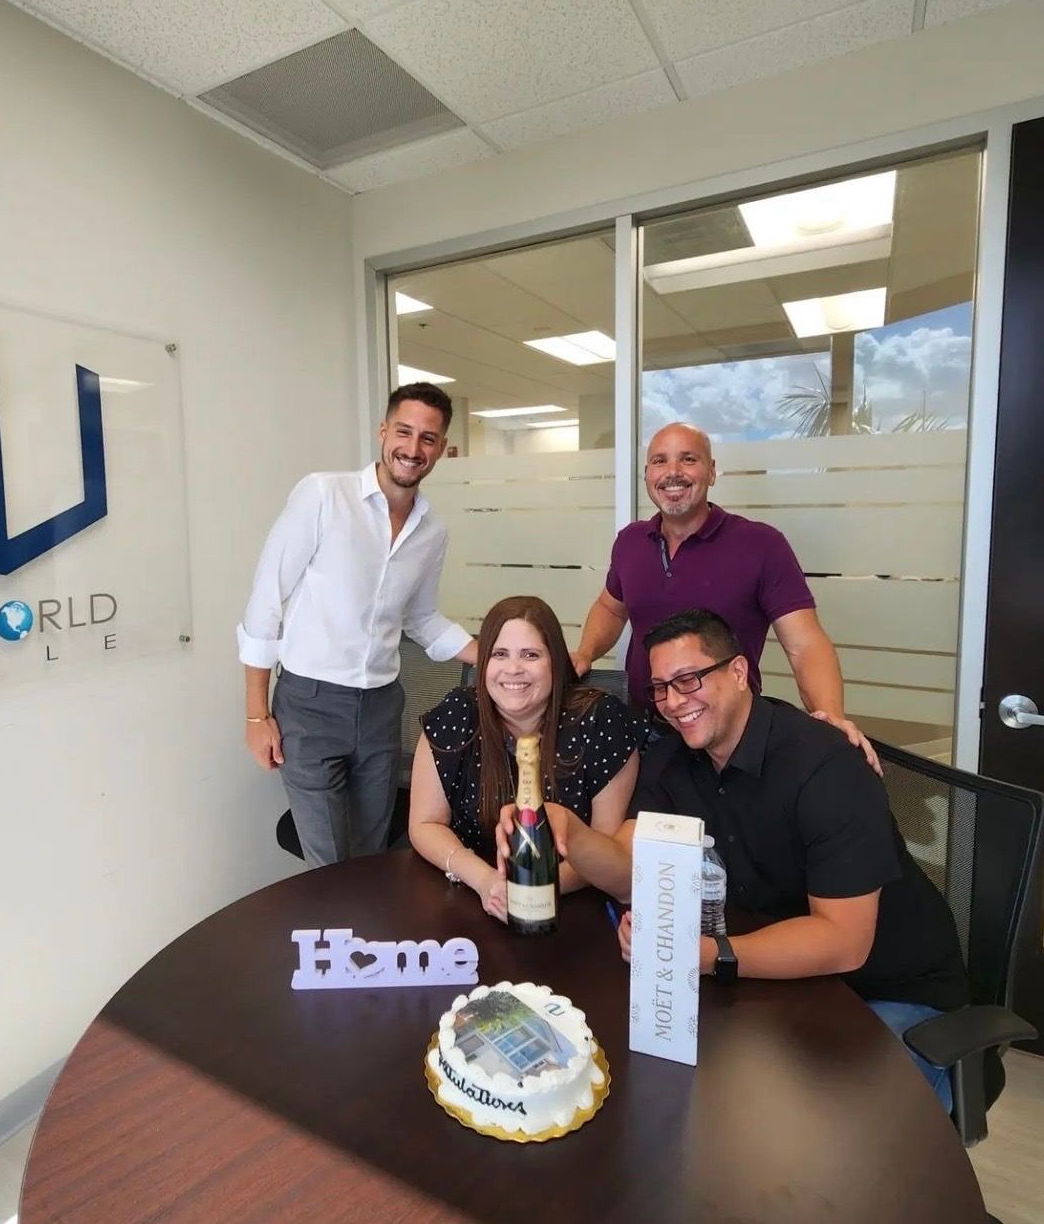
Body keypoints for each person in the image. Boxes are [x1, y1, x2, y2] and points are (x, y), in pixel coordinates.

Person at [509, 607, 968, 1109]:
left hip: (888, 993)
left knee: (817, 1135)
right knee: (670, 1096)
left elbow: (843, 941)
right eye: (660, 688)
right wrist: (572, 836)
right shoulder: (677, 760)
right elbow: (627, 866)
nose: (673, 702)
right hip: (776, 985)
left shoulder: (826, 767)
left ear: (739, 671)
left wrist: (705, 954)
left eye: (688, 680)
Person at [237, 382, 477, 867]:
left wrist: (498, 654)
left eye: (428, 439)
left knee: (372, 855)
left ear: (441, 449)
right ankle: (327, 939)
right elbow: (266, 601)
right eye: (404, 432)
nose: (413, 449)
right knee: (328, 861)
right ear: (383, 430)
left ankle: (369, 943)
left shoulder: (432, 531)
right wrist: (256, 715)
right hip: (309, 705)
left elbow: (423, 618)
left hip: (382, 706)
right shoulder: (323, 495)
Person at [570, 421, 877, 770]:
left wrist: (831, 719)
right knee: (645, 824)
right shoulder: (630, 542)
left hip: (728, 740)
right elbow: (610, 608)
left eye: (688, 459)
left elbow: (805, 644)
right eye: (659, 461)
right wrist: (585, 652)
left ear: (712, 472)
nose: (672, 472)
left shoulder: (762, 545)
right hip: (646, 732)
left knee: (723, 827)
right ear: (646, 475)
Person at [409, 595, 640, 921]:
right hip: (471, 896)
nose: (513, 669)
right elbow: (424, 823)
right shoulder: (457, 713)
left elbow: (606, 847)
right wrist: (484, 881)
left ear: (556, 662)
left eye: (530, 655)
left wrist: (533, 891)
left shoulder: (601, 720)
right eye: (499, 654)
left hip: (572, 904)